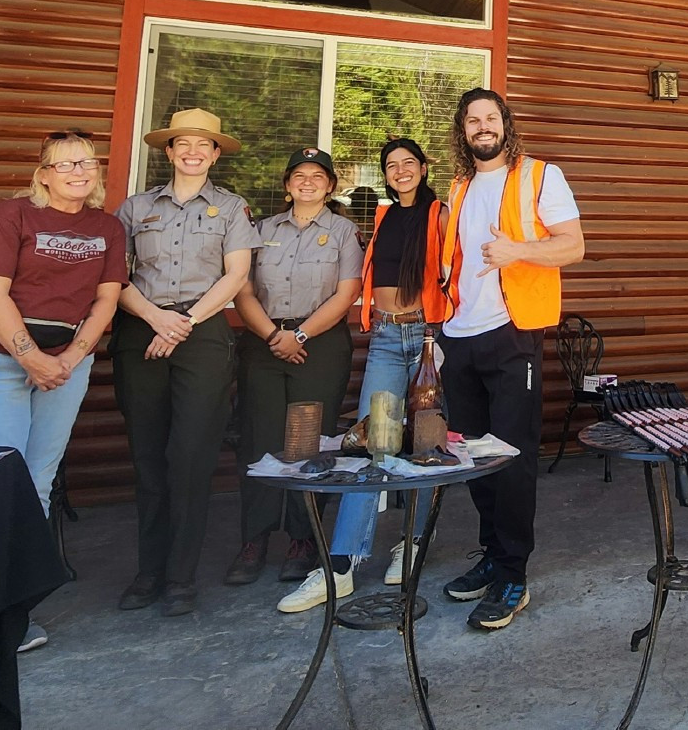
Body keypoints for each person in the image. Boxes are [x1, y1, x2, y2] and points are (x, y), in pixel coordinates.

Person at [0, 127, 126, 653]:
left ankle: (14, 616)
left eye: (87, 162)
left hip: (67, 364)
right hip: (0, 360)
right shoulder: (11, 216)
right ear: (43, 174)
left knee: (36, 480)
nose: (79, 171)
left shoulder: (107, 228)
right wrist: (30, 357)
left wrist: (72, 358)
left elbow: (106, 300)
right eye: (65, 163)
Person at [438, 89, 583, 631]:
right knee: (474, 456)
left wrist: (518, 250)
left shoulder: (542, 175)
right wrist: (439, 329)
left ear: (505, 125)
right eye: (472, 120)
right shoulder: (460, 186)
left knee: (513, 457)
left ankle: (513, 572)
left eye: (490, 118)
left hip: (511, 334)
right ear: (463, 130)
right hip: (459, 335)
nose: (482, 127)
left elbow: (574, 246)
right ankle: (492, 555)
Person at [112, 108, 260, 617]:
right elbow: (115, 278)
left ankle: (179, 575)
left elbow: (236, 275)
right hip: (141, 331)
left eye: (204, 144)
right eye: (184, 144)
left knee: (191, 457)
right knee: (149, 457)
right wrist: (156, 318)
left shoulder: (233, 208)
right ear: (169, 151)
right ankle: (147, 570)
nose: (193, 152)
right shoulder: (134, 208)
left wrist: (183, 322)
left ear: (216, 154)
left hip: (201, 335)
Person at [306, 138, 450, 610]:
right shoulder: (384, 215)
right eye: (392, 165)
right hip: (388, 338)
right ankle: (343, 563)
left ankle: (410, 544)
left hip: (429, 337)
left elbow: (456, 271)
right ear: (386, 174)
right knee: (374, 440)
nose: (401, 170)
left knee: (426, 444)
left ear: (424, 168)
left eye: (409, 163)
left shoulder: (440, 214)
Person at [226, 147, 362, 609]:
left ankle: (304, 539)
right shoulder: (260, 230)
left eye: (317, 176)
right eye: (299, 175)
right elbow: (241, 289)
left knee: (310, 441)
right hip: (265, 341)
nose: (307, 182)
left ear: (330, 186)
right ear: (287, 185)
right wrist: (274, 335)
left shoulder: (344, 231)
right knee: (259, 439)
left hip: (319, 343)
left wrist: (299, 333)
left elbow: (347, 293)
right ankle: (255, 537)